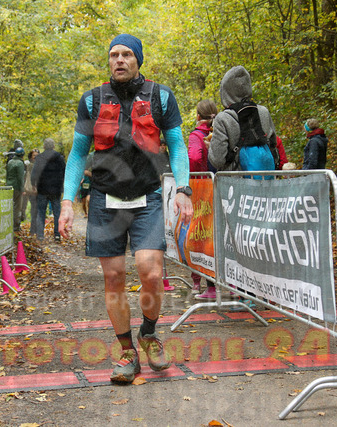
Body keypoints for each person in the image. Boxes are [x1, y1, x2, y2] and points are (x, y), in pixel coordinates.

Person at [58, 34, 193, 384]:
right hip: (105, 200)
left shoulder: (161, 97)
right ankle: (127, 352)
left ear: (138, 60)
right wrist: (67, 202)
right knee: (114, 276)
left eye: (127, 54)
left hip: (147, 197)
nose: (119, 60)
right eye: (114, 54)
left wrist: (183, 189)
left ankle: (148, 332)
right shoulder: (92, 100)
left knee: (150, 272)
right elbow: (77, 153)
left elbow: (177, 146)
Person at [208, 65, 278, 309]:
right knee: (262, 239)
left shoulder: (223, 118)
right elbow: (273, 144)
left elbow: (217, 159)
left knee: (239, 242)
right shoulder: (264, 112)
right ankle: (266, 293)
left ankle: (247, 295)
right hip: (264, 187)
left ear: (225, 91)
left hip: (235, 189)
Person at [187, 99, 219, 300]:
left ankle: (202, 283)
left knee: (199, 236)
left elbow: (194, 158)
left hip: (202, 189)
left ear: (198, 116)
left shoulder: (196, 136)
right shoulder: (221, 132)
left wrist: (193, 176)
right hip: (220, 187)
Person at [31, 138, 66, 242]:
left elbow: (34, 173)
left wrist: (33, 184)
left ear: (44, 146)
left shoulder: (39, 158)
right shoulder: (60, 158)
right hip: (56, 189)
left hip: (42, 189)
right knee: (57, 213)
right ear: (54, 146)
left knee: (41, 212)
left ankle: (40, 235)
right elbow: (65, 172)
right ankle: (57, 235)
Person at [6, 147, 25, 232]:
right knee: (17, 207)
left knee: (9, 206)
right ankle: (16, 227)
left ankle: (8, 225)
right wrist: (22, 189)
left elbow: (7, 175)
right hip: (17, 187)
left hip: (9, 186)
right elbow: (20, 177)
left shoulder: (10, 162)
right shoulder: (20, 163)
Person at [23, 149, 40, 232]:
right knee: (34, 209)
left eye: (37, 155)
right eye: (34, 155)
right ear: (30, 157)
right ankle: (33, 229)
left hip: (39, 190)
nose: (35, 157)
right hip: (32, 190)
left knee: (36, 209)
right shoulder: (29, 165)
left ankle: (35, 228)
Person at [79, 152, 94, 217]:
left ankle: (90, 213)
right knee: (83, 203)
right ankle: (85, 213)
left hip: (89, 187)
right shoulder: (81, 170)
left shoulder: (89, 170)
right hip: (83, 188)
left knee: (88, 200)